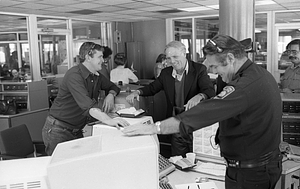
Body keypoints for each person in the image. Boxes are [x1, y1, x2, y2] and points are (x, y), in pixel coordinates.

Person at [123, 35, 283, 189]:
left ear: (230, 58)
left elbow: (208, 111)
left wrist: (155, 128)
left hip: (251, 173)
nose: (213, 72)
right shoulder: (257, 74)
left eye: (214, 67)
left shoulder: (244, 86)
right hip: (257, 165)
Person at [126, 41, 215, 157]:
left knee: (197, 157)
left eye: (175, 56)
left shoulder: (199, 69)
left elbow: (209, 90)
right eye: (168, 58)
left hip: (195, 122)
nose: (172, 61)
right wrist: (138, 92)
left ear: (184, 53)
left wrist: (199, 96)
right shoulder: (166, 73)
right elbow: (153, 88)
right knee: (178, 158)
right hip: (176, 122)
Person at [42, 42, 129, 156]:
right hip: (58, 131)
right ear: (88, 57)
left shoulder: (95, 76)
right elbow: (89, 107)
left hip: (76, 130)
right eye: (100, 57)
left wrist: (110, 95)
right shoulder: (74, 75)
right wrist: (109, 120)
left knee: (79, 167)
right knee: (61, 170)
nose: (103, 60)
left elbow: (113, 87)